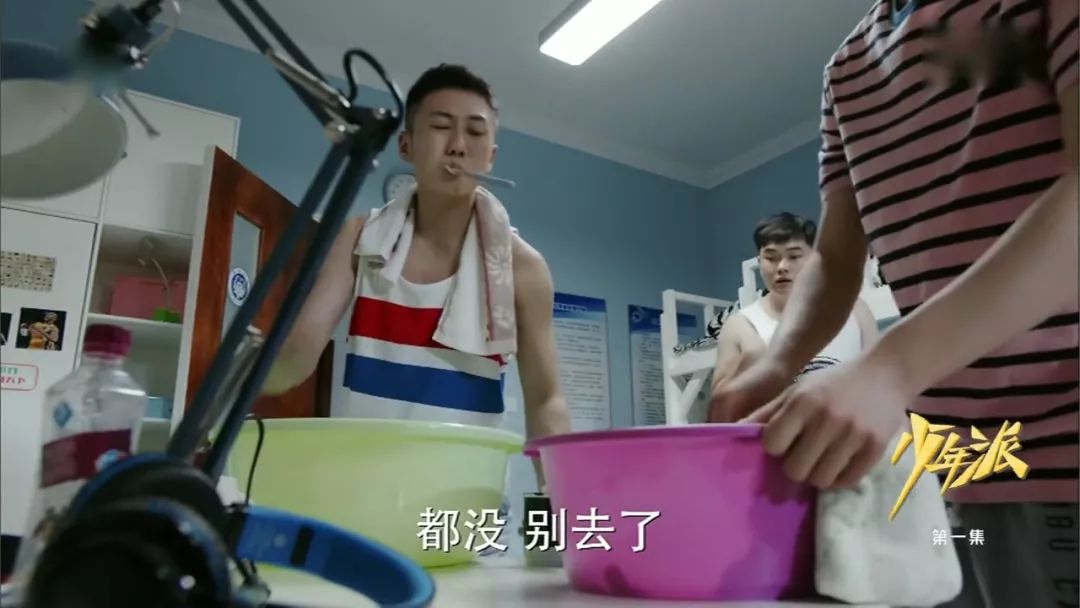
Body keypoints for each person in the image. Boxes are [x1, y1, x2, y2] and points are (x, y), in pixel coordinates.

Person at [711, 1, 1077, 607]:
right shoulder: (847, 67)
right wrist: (776, 366)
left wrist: (888, 370)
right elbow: (836, 257)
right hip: (947, 469)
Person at [263, 64, 572, 489]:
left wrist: (560, 503)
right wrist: (230, 390)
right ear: (406, 145)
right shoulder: (361, 238)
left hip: (463, 502)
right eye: (441, 127)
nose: (458, 146)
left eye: (475, 132)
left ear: (491, 156)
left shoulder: (522, 266)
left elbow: (546, 400)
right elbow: (299, 352)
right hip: (361, 490)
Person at [707, 212, 878, 423]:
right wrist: (748, 364)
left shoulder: (854, 310)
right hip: (774, 437)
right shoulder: (740, 325)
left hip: (848, 433)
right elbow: (717, 416)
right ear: (759, 261)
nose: (781, 267)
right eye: (771, 258)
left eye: (794, 256)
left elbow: (879, 380)